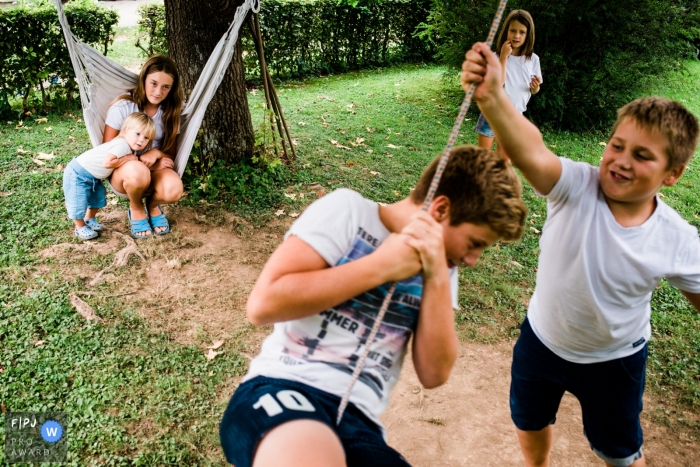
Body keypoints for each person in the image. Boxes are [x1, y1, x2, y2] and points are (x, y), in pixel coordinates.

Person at [462, 41, 700, 467]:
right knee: (529, 421)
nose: (621, 161)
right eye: (617, 145)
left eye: (642, 156)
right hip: (542, 340)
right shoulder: (575, 186)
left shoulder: (677, 239)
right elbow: (531, 149)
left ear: (672, 174)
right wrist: (494, 98)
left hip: (615, 362)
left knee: (619, 452)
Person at [219, 147, 527, 467]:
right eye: (475, 243)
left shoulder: (442, 268)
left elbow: (434, 373)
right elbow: (263, 305)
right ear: (440, 209)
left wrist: (436, 276)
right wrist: (381, 266)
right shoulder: (349, 211)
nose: (472, 259)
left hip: (356, 421)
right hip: (279, 389)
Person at [94, 55, 184, 238]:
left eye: (166, 87)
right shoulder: (123, 107)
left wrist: (156, 153)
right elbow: (107, 150)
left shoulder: (169, 112)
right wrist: (139, 161)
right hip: (124, 170)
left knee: (174, 190)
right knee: (137, 172)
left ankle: (152, 205)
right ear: (143, 79)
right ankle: (136, 207)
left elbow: (170, 154)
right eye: (154, 83)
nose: (158, 92)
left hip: (154, 168)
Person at [63, 113, 156, 240]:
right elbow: (108, 163)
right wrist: (128, 158)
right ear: (124, 132)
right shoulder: (121, 145)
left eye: (146, 138)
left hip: (93, 177)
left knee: (98, 197)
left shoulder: (127, 147)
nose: (141, 140)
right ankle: (79, 227)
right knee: (78, 201)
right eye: (138, 134)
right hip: (78, 173)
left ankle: (89, 218)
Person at [475, 9, 542, 161]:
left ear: (528, 34)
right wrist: (504, 56)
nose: (516, 35)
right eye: (513, 30)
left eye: (522, 32)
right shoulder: (495, 57)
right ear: (506, 31)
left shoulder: (533, 60)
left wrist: (535, 87)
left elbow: (534, 90)